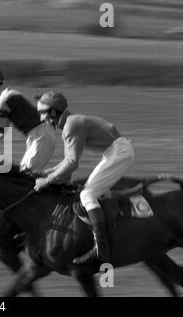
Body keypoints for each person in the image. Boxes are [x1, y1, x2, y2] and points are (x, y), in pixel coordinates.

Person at [33, 91, 135, 264]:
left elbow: (72, 164)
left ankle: (101, 249)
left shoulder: (70, 126)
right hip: (116, 151)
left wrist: (47, 180)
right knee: (88, 192)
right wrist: (48, 173)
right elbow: (68, 162)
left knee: (87, 195)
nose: (42, 119)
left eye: (43, 113)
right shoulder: (71, 123)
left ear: (53, 112)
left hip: (119, 152)